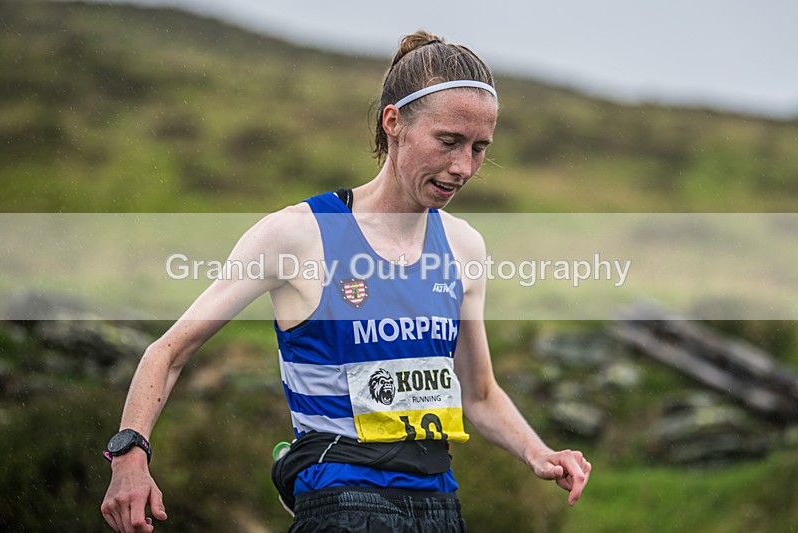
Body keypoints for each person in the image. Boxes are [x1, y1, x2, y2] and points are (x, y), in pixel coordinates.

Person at [100, 30, 591, 532]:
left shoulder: (464, 247)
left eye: (479, 148)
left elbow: (479, 393)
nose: (462, 167)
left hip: (440, 504)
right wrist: (129, 455)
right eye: (447, 142)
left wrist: (538, 451)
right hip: (343, 503)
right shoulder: (298, 235)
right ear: (394, 121)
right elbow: (168, 352)